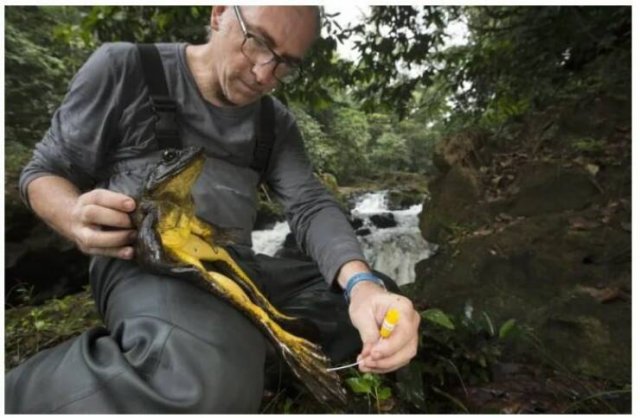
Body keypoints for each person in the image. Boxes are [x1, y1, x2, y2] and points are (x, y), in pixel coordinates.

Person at [6, 6, 420, 413]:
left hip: (234, 266)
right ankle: (23, 395)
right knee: (199, 385)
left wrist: (362, 287)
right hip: (150, 260)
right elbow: (45, 170)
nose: (263, 74)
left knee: (375, 308)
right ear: (219, 13)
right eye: (257, 42)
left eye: (285, 64)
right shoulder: (126, 67)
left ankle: (231, 351)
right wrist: (72, 215)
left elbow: (310, 205)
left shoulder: (275, 123)